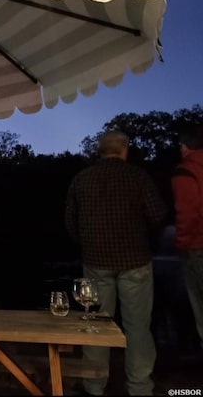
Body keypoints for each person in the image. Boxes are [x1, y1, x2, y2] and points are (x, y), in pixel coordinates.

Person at [65, 130, 168, 396]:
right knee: (138, 327)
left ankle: (94, 385)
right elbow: (157, 216)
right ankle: (139, 386)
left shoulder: (81, 179)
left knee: (96, 324)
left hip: (96, 262)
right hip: (135, 262)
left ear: (100, 151)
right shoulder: (138, 177)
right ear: (124, 150)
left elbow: (70, 223)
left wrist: (88, 244)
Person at [171, 123, 203, 350]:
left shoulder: (185, 171)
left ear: (184, 147)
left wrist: (181, 244)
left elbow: (187, 212)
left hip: (196, 246)